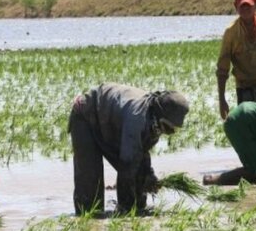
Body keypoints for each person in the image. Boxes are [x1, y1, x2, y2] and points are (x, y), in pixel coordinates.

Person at [69, 83, 190, 215]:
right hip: (85, 115)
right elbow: (127, 164)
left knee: (139, 176)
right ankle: (88, 220)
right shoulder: (137, 118)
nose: (168, 132)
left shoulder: (152, 119)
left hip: (108, 121)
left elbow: (141, 152)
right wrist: (125, 209)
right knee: (90, 189)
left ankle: (135, 207)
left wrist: (148, 175)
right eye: (167, 127)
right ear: (159, 116)